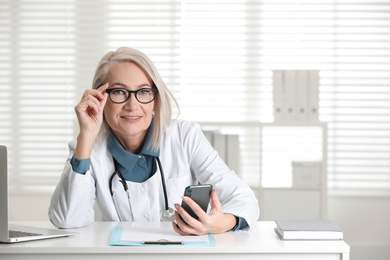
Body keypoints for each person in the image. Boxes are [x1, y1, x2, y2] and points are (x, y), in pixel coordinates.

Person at [48, 47, 259, 235]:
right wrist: (86, 134)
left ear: (155, 100)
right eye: (119, 92)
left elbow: (244, 200)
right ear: (99, 98)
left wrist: (219, 224)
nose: (132, 105)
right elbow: (67, 220)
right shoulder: (87, 148)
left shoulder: (185, 136)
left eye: (143, 92)